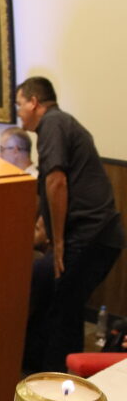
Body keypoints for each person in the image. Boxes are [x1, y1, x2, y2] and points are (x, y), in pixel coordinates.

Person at [17, 76, 125, 371]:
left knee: (62, 309)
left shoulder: (52, 124)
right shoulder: (58, 124)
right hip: (96, 235)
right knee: (54, 296)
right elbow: (47, 192)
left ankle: (52, 379)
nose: (19, 112)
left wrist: (59, 242)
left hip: (92, 235)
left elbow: (57, 183)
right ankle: (38, 369)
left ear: (34, 103)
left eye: (19, 104)